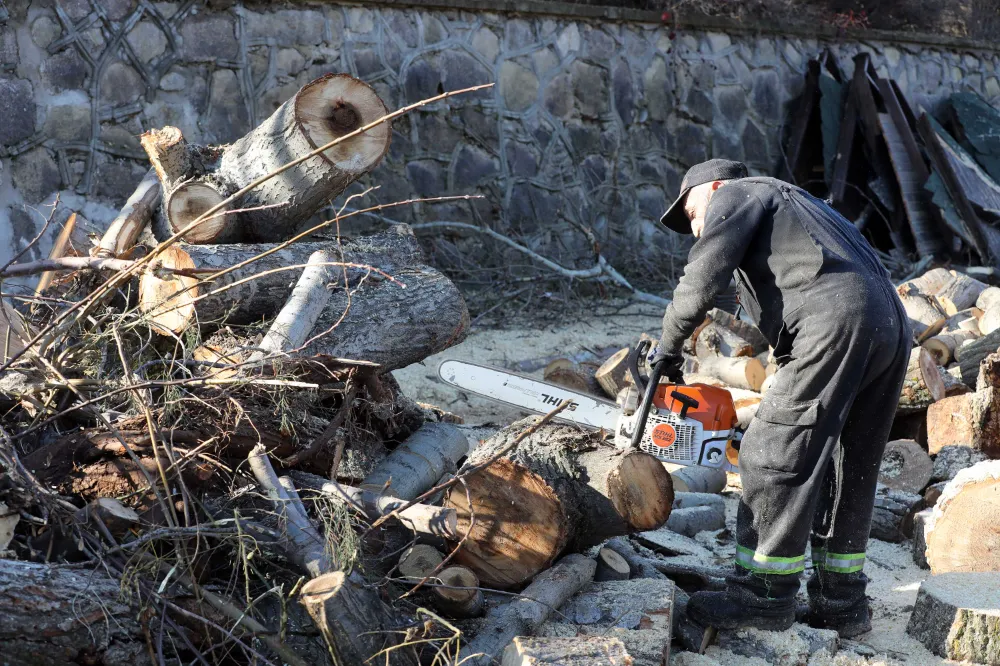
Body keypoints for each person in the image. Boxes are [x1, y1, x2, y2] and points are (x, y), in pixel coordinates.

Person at [650, 159, 911, 637]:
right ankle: (843, 602)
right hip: (888, 320)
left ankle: (762, 596)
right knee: (845, 463)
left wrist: (665, 348)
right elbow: (784, 292)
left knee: (771, 452)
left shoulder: (738, 194)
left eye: (690, 213)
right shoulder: (798, 206)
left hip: (836, 319)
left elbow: (700, 280)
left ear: (714, 186)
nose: (694, 228)